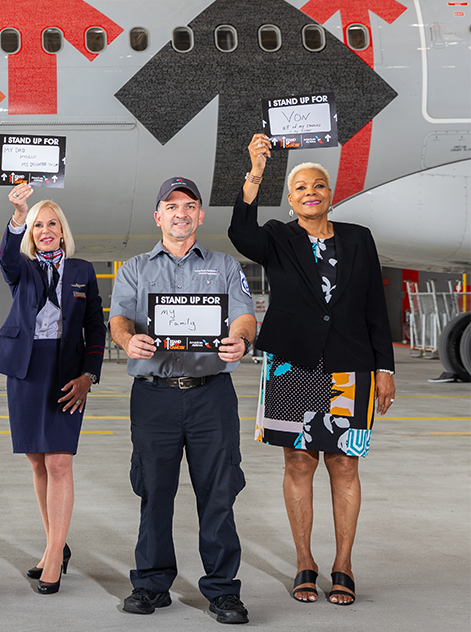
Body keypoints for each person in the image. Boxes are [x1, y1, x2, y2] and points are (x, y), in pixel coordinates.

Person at [230, 134, 396, 606]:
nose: (309, 192)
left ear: (330, 193)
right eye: (300, 187)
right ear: (290, 198)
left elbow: (374, 308)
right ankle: (306, 560)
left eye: (318, 185)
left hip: (351, 368)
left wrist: (384, 367)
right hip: (292, 365)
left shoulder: (359, 239)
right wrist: (255, 173)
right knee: (298, 463)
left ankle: (343, 564)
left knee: (345, 464)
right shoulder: (279, 239)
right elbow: (241, 234)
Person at [110, 177, 256, 625]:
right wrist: (127, 341)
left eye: (189, 205)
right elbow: (119, 319)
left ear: (199, 215)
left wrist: (241, 341)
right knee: (155, 492)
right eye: (171, 206)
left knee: (219, 492)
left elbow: (245, 316)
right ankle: (152, 584)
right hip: (155, 397)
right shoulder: (134, 268)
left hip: (211, 394)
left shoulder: (224, 267)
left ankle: (222, 591)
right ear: (158, 216)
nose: (180, 213)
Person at [0, 184, 105, 595]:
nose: (46, 230)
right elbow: (5, 257)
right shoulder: (24, 268)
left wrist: (89, 375)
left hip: (67, 371)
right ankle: (57, 543)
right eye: (39, 225)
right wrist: (18, 214)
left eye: (52, 223)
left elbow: (95, 329)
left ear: (63, 230)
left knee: (59, 463)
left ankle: (53, 557)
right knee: (37, 462)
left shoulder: (83, 271)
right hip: (27, 369)